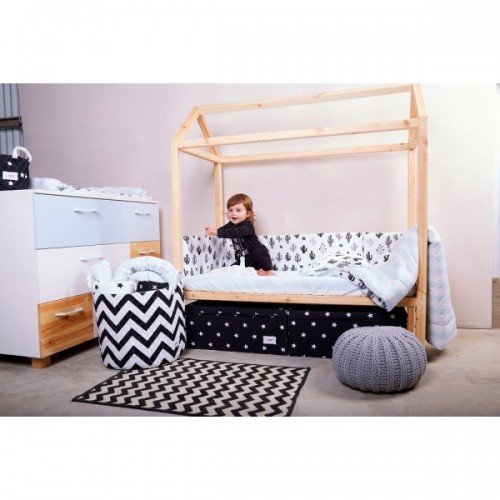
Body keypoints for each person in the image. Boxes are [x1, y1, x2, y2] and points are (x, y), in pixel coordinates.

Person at [205, 193, 275, 276]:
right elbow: (224, 229)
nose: (233, 213)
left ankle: (268, 269)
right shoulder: (230, 225)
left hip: (254, 254)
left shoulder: (247, 225)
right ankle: (255, 271)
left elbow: (234, 232)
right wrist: (214, 230)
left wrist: (217, 232)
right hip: (243, 258)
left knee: (260, 250)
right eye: (230, 210)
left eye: (238, 210)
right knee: (233, 269)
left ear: (248, 213)